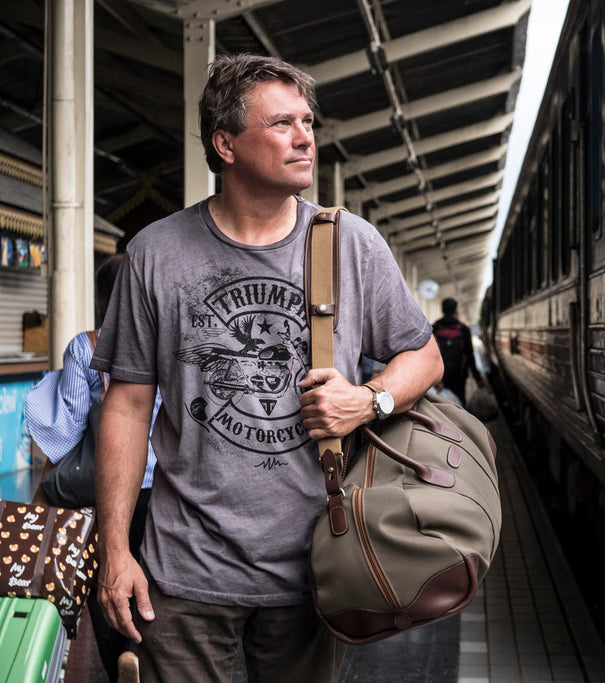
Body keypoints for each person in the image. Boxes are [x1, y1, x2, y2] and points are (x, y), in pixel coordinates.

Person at [90, 53, 443, 682]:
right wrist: (116, 550)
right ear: (224, 144)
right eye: (282, 124)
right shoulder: (155, 254)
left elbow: (425, 355)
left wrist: (370, 400)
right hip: (185, 570)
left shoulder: (349, 243)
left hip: (319, 562)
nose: (305, 136)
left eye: (308, 121)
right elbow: (127, 404)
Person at [24, 254, 161, 682]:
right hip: (169, 489)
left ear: (103, 296)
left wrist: (48, 487)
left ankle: (117, 654)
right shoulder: (171, 344)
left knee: (108, 573)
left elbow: (64, 433)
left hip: (110, 485)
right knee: (158, 576)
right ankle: (142, 652)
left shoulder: (87, 345)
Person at [432, 297, 481, 406]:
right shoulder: (463, 329)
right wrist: (477, 377)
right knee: (459, 406)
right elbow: (470, 355)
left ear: (442, 310)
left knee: (440, 405)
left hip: (439, 376)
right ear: (456, 310)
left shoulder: (435, 328)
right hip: (459, 376)